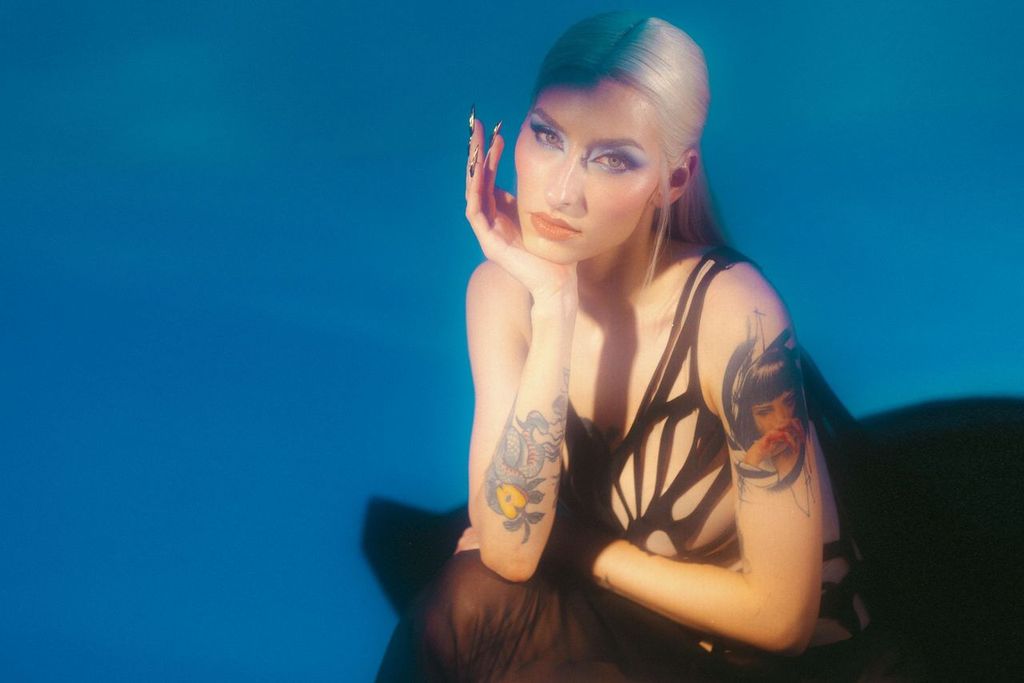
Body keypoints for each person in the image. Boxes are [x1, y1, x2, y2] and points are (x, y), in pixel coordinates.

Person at [378, 12, 921, 682]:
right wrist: (554, 305)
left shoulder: (734, 312)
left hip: (805, 668)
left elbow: (782, 620)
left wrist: (579, 548)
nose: (562, 191)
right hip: (643, 636)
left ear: (673, 180)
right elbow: (507, 553)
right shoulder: (504, 293)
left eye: (612, 159)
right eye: (548, 136)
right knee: (464, 605)